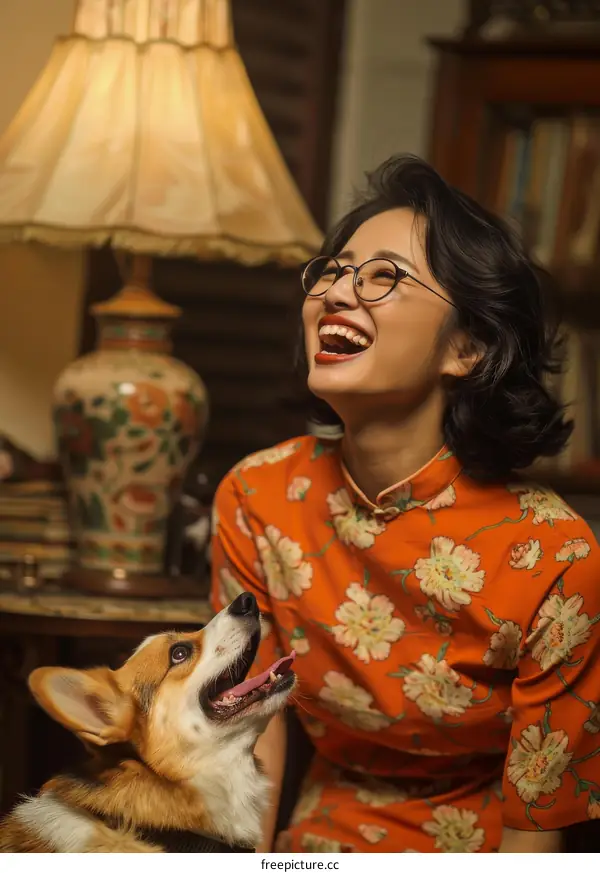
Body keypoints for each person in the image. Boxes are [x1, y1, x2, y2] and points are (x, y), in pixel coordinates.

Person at [210, 154, 600, 853]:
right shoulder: (257, 496)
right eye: (331, 270)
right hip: (315, 841)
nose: (336, 292)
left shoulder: (556, 556)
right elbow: (253, 725)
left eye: (383, 276)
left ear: (468, 348)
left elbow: (539, 821)